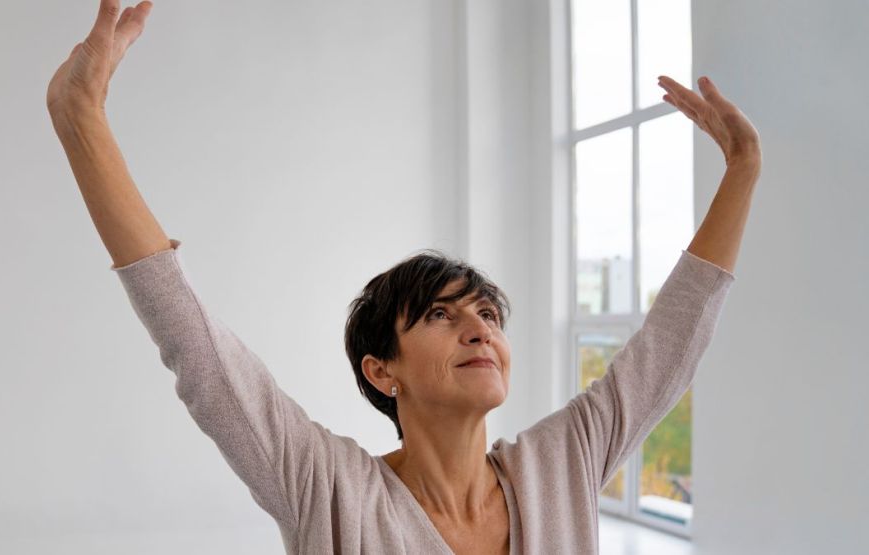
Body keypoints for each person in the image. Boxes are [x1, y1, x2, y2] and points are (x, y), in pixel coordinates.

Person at [47, 2, 762, 553]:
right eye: (440, 315)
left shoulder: (561, 464)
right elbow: (197, 349)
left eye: (486, 313)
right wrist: (81, 118)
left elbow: (671, 341)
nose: (478, 327)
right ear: (381, 371)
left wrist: (741, 171)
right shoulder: (328, 487)